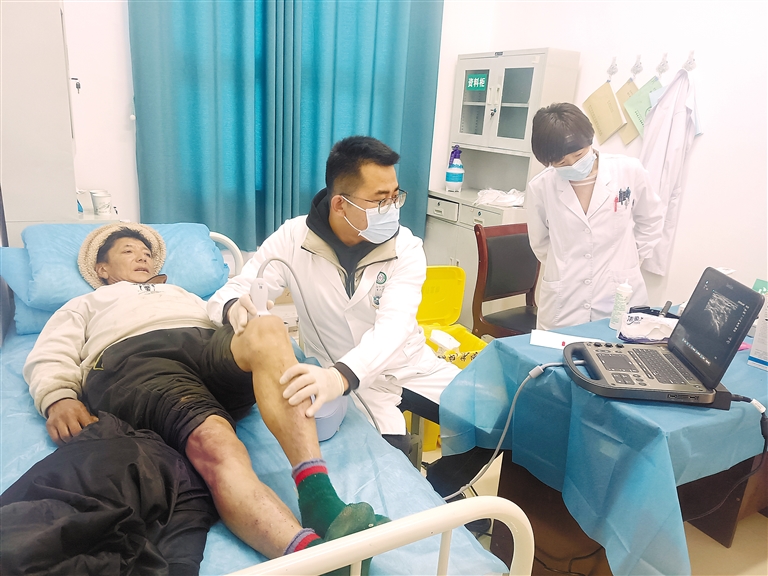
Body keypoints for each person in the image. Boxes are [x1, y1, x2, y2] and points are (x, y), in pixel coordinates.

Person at [23, 223, 384, 564]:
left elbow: (222, 317)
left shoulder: (184, 295)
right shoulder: (85, 304)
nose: (142, 257)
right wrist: (59, 397)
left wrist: (236, 311)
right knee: (217, 441)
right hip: (140, 359)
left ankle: (319, 497)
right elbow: (51, 352)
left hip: (205, 349)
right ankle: (316, 558)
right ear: (102, 269)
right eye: (129, 251)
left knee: (269, 327)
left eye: (147, 253)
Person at [207, 136, 493, 501]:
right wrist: (234, 306)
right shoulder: (293, 239)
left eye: (395, 196)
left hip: (405, 364)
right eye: (380, 200)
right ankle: (419, 498)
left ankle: (440, 490)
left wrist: (340, 377)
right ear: (340, 204)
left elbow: (394, 328)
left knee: (493, 423)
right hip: (343, 375)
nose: (392, 208)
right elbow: (232, 291)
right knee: (391, 472)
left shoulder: (406, 248)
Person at [526, 102, 664, 330]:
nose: (573, 165)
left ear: (589, 141)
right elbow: (540, 243)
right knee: (558, 351)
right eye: (561, 163)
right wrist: (567, 266)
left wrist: (627, 261)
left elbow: (651, 220)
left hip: (618, 290)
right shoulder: (541, 187)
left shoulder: (628, 171)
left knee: (619, 348)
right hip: (564, 298)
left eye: (579, 155)